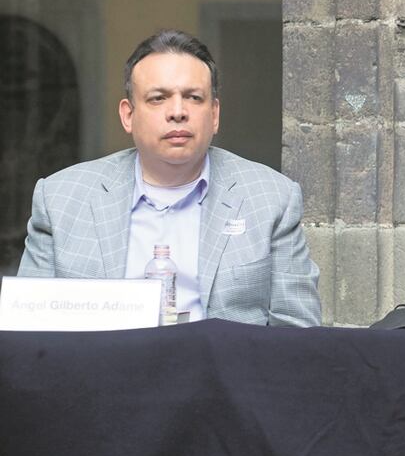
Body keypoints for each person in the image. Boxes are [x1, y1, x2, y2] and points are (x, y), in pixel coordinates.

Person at [19, 30, 321, 327]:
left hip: (223, 374)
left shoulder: (271, 199)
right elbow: (27, 331)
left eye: (193, 97)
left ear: (214, 114)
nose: (177, 112)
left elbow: (297, 333)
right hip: (99, 373)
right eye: (158, 98)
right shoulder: (60, 199)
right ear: (128, 115)